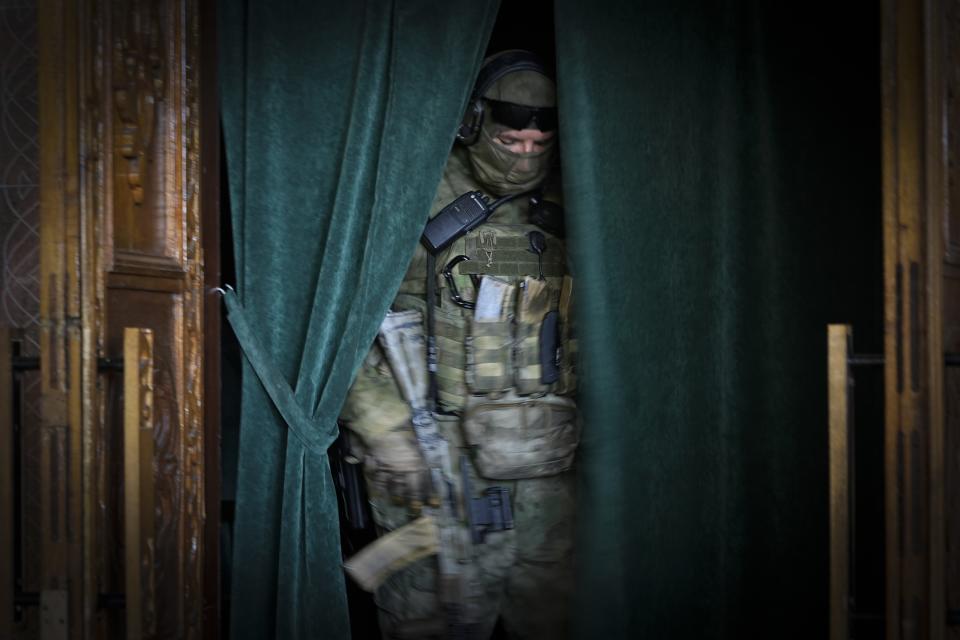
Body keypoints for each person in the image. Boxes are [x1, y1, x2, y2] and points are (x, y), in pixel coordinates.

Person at [341, 50, 579, 640]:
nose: (524, 155)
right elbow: (343, 326)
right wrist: (383, 426)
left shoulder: (580, 203)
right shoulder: (414, 195)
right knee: (427, 613)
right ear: (473, 122)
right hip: (429, 456)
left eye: (537, 144)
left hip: (544, 468)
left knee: (549, 611)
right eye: (510, 138)